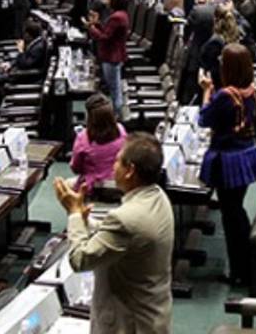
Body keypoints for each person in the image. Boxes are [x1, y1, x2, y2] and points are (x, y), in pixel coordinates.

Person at [55, 133, 175, 334]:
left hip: (127, 323)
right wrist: (87, 221)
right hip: (154, 313)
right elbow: (126, 238)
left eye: (118, 161)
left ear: (130, 170)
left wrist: (74, 215)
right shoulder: (158, 197)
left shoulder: (125, 219)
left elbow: (79, 260)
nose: (113, 166)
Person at [197, 44, 256, 287]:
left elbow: (204, 119)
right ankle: (244, 266)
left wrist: (206, 92)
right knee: (236, 212)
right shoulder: (250, 90)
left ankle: (240, 271)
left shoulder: (226, 95)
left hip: (228, 161)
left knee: (231, 216)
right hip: (245, 156)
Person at [0, 20, 48, 112]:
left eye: (24, 33)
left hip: (24, 76)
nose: (23, 36)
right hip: (18, 71)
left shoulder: (38, 48)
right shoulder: (35, 42)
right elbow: (22, 60)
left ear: (29, 34)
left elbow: (25, 65)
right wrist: (10, 64)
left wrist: (21, 51)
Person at [70, 94, 128, 193]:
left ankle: (76, 208)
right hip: (119, 184)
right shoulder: (121, 130)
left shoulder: (83, 138)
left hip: (93, 189)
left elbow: (75, 168)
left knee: (66, 185)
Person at [87, 0, 132, 120]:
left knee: (114, 90)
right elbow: (108, 32)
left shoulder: (116, 17)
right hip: (114, 55)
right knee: (114, 88)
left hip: (112, 56)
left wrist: (91, 27)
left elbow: (104, 37)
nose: (106, 1)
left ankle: (117, 117)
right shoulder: (122, 15)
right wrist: (97, 24)